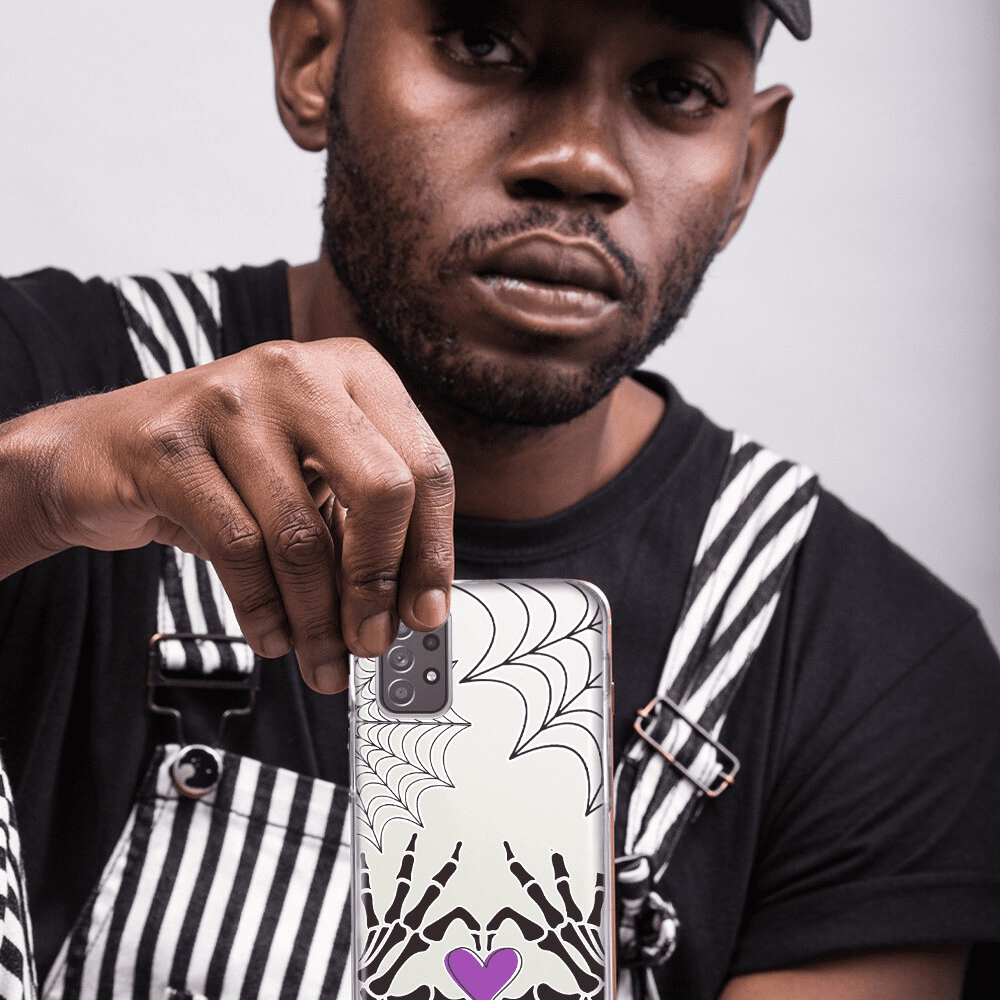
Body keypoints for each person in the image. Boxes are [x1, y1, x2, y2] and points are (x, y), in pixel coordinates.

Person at [0, 1, 997, 998]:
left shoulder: (882, 674)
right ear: (314, 54)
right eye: (481, 42)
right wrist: (37, 490)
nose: (578, 162)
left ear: (746, 164)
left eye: (677, 89)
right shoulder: (33, 386)